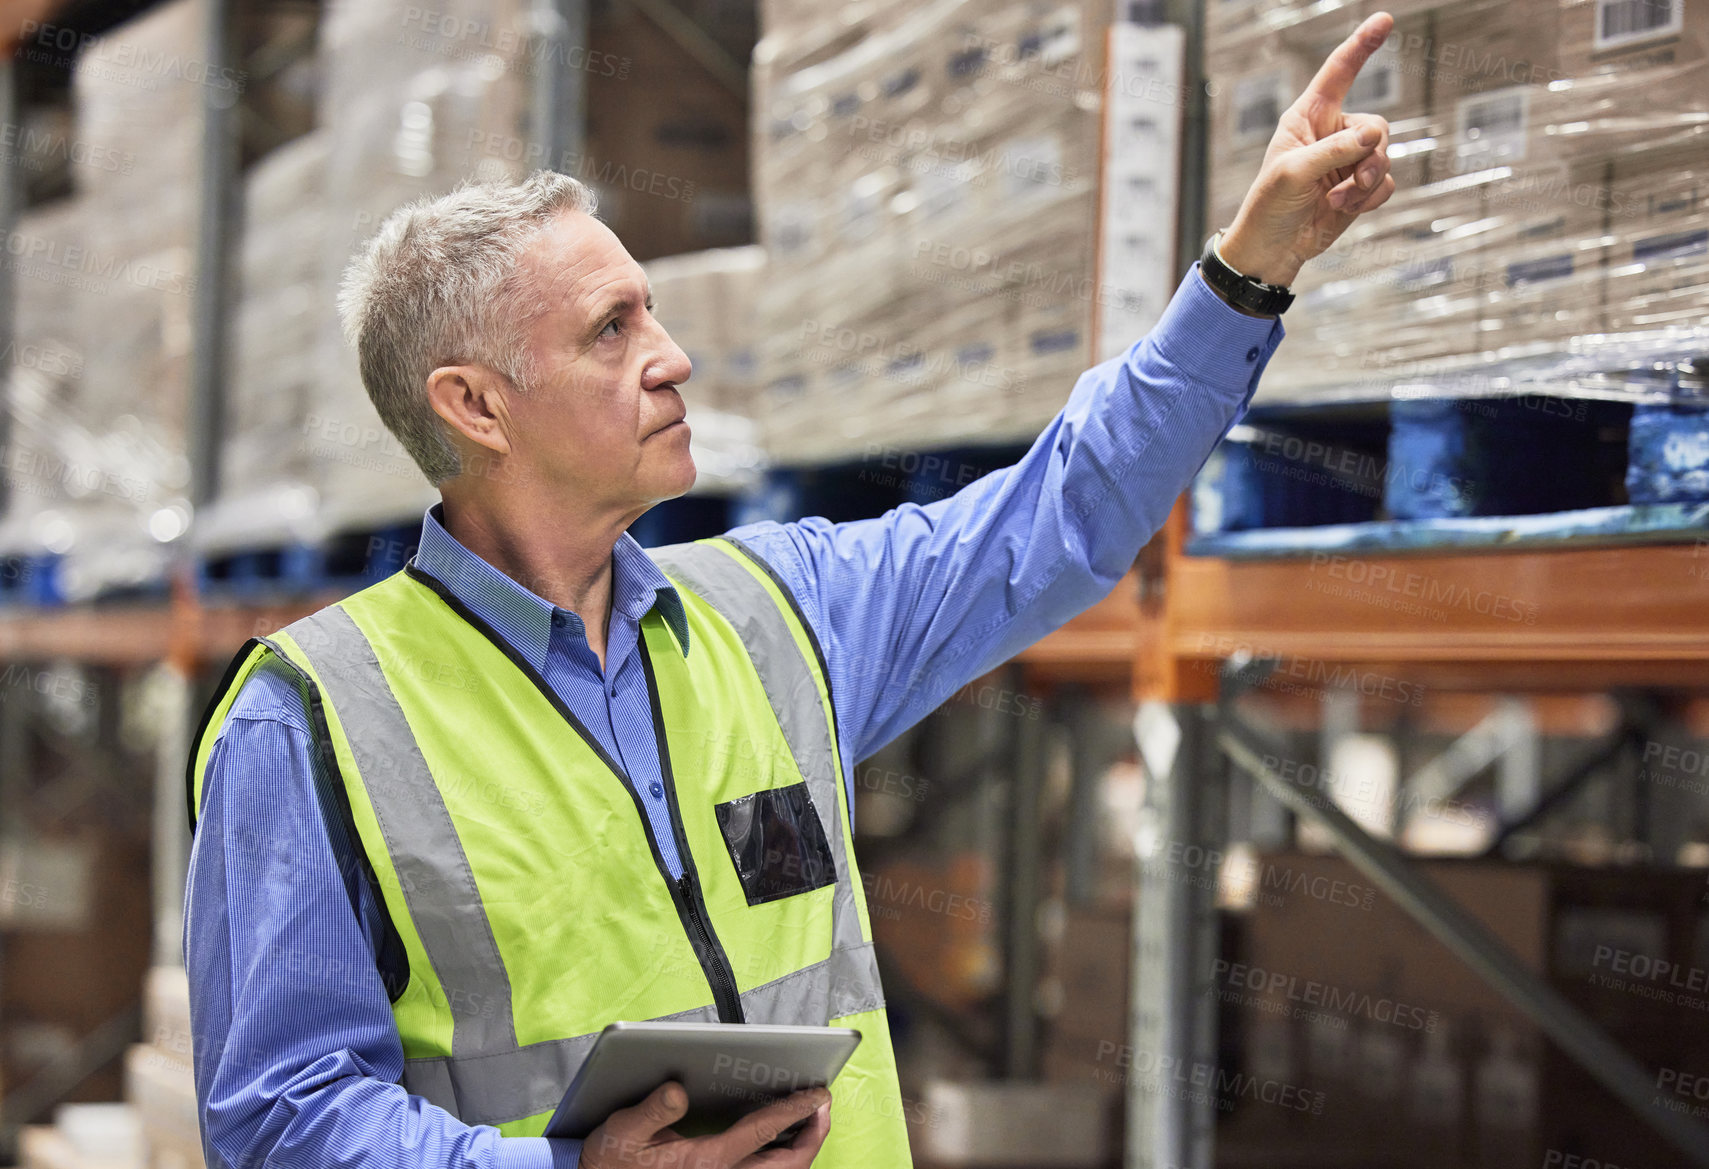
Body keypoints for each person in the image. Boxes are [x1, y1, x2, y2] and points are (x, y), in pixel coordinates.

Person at [183, 12, 1397, 1169]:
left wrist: (1246, 274)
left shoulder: (778, 612)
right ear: (475, 404)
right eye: (611, 330)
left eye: (650, 310)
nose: (674, 356)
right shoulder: (311, 720)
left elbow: (1060, 512)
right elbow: (281, 1117)